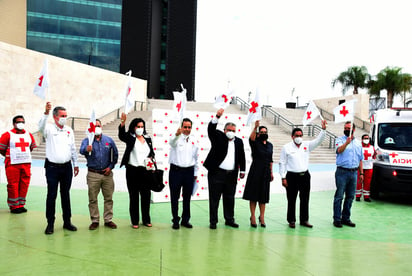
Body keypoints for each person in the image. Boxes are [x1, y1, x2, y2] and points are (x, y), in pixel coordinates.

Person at [39, 102, 79, 235]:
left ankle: (67, 222)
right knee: (51, 195)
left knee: (65, 195)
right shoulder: (49, 129)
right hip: (52, 168)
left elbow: (72, 148)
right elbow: (40, 127)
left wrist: (76, 163)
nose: (65, 118)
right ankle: (50, 223)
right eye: (63, 115)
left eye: (66, 115)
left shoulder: (69, 130)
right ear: (55, 117)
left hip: (67, 167)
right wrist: (45, 113)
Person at [279, 120, 327, 228]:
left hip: (304, 176)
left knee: (305, 199)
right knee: (291, 199)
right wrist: (283, 177)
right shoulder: (286, 147)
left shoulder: (307, 145)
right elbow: (282, 163)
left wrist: (323, 130)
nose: (299, 137)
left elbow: (318, 141)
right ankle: (291, 220)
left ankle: (304, 220)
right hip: (291, 176)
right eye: (297, 135)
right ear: (292, 136)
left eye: (301, 135)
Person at [204, 108, 246, 229]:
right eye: (229, 130)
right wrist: (217, 116)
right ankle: (213, 221)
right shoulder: (218, 137)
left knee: (229, 198)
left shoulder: (239, 142)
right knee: (214, 198)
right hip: (216, 173)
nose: (231, 132)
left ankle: (229, 219)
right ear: (224, 130)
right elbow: (211, 129)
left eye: (233, 130)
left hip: (231, 175)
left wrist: (242, 170)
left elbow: (242, 156)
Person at [80, 119, 119, 230]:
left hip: (107, 174)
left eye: (98, 125)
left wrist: (110, 167)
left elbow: (115, 155)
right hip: (93, 174)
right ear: (91, 128)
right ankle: (95, 220)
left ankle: (108, 220)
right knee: (92, 199)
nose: (97, 127)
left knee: (108, 198)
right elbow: (81, 150)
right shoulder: (87, 140)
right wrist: (87, 149)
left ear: (101, 126)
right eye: (95, 126)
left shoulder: (108, 140)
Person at [118, 112, 154, 229]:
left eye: (142, 126)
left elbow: (151, 153)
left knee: (146, 196)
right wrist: (122, 123)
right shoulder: (130, 138)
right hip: (133, 171)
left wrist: (151, 161)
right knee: (134, 197)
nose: (140, 129)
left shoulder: (148, 139)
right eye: (138, 126)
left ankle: (146, 219)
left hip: (145, 171)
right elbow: (121, 136)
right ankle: (134, 221)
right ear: (134, 127)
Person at [0, 115, 37, 213]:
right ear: (14, 123)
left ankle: (21, 204)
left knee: (24, 184)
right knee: (13, 185)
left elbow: (31, 147)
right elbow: (1, 149)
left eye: (22, 122)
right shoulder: (7, 135)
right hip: (12, 164)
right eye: (18, 121)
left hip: (26, 164)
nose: (21, 123)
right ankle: (14, 206)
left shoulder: (29, 135)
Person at [168, 118, 199, 229]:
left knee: (187, 197)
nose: (187, 129)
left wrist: (195, 172)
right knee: (174, 197)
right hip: (176, 171)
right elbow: (171, 142)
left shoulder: (194, 140)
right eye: (185, 127)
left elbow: (196, 157)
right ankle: (175, 220)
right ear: (181, 127)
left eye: (189, 127)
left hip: (189, 172)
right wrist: (177, 134)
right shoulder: (176, 138)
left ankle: (185, 220)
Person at [242, 120, 273, 228]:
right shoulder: (255, 143)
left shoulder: (270, 145)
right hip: (255, 171)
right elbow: (251, 138)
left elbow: (270, 159)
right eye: (262, 132)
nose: (264, 133)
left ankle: (262, 217)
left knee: (263, 196)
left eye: (266, 132)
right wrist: (255, 128)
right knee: (253, 195)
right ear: (259, 133)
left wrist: (271, 172)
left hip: (266, 172)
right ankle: (253, 216)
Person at [333, 121, 363, 228]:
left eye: (348, 128)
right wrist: (346, 143)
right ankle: (337, 219)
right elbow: (339, 151)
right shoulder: (339, 140)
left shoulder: (359, 143)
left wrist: (361, 173)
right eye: (345, 128)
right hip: (342, 172)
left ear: (353, 130)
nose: (346, 129)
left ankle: (346, 218)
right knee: (339, 196)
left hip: (354, 172)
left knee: (350, 196)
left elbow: (360, 159)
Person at [356, 134, 376, 202]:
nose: (366, 140)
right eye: (365, 138)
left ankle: (366, 196)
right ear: (362, 139)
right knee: (359, 181)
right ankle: (358, 196)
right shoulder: (359, 147)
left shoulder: (372, 148)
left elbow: (374, 156)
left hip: (369, 167)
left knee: (367, 182)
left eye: (367, 138)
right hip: (360, 167)